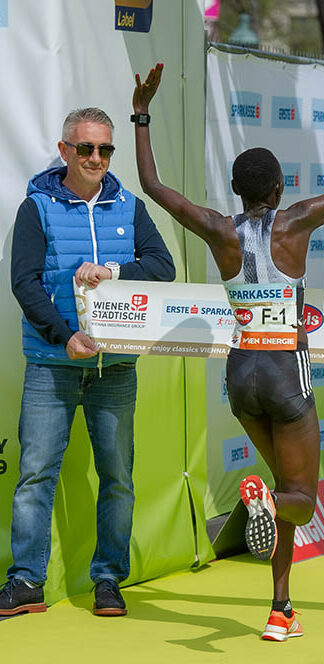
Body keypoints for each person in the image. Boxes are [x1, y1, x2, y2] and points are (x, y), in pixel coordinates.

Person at [130, 55, 324, 641]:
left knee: (283, 493)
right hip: (286, 373)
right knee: (300, 500)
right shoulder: (295, 223)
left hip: (241, 374)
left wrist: (141, 115)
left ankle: (280, 610)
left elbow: (153, 186)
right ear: (279, 189)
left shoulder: (219, 229)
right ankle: (266, 501)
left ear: (236, 191)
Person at [1, 108, 176, 617]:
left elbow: (162, 266)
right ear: (65, 151)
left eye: (105, 149)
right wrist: (65, 337)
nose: (96, 157)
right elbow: (24, 283)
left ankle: (108, 580)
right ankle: (26, 582)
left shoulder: (129, 205)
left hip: (115, 369)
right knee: (35, 475)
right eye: (85, 148)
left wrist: (114, 271)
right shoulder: (36, 207)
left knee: (117, 478)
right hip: (52, 365)